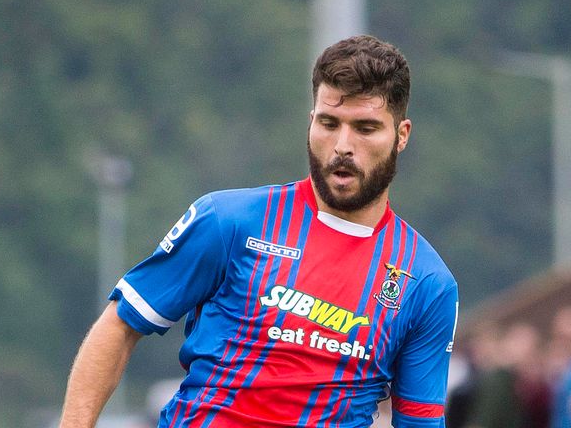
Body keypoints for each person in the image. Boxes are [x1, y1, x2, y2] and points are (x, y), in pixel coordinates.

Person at [59, 34, 459, 427]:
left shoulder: (425, 282)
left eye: (365, 128)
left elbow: (420, 421)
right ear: (311, 123)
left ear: (401, 135)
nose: (342, 145)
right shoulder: (229, 220)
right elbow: (121, 326)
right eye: (328, 123)